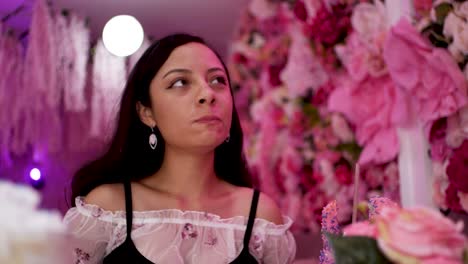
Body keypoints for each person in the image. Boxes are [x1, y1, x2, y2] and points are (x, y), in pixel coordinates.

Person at [63, 33, 296, 263]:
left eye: (218, 80)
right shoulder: (108, 209)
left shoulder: (260, 218)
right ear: (147, 113)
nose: (208, 94)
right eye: (180, 82)